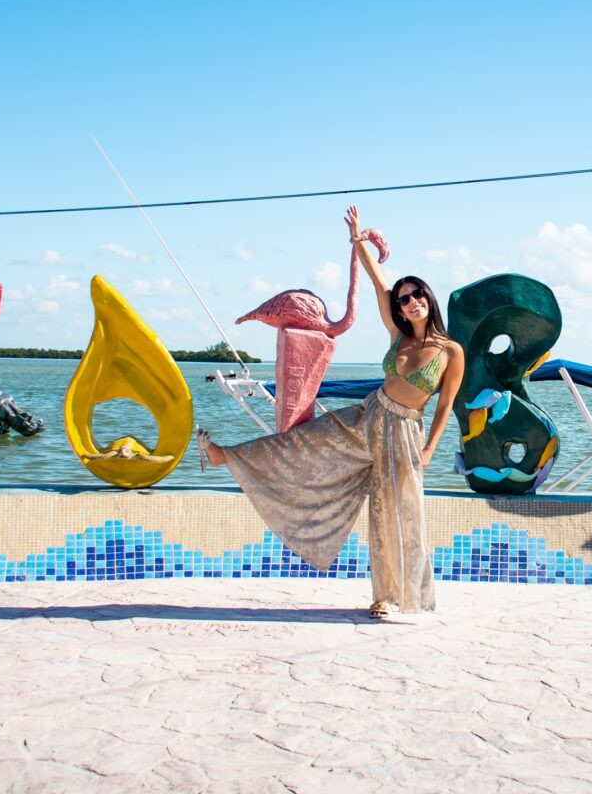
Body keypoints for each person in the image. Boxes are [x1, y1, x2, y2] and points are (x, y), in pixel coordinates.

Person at [197, 205, 464, 620]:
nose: (410, 302)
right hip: (370, 415)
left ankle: (403, 596)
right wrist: (357, 241)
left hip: (407, 432)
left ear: (429, 299)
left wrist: (429, 451)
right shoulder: (397, 336)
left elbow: (446, 404)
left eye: (416, 295)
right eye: (404, 298)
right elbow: (379, 287)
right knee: (305, 442)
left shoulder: (450, 351)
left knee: (398, 513)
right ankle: (225, 456)